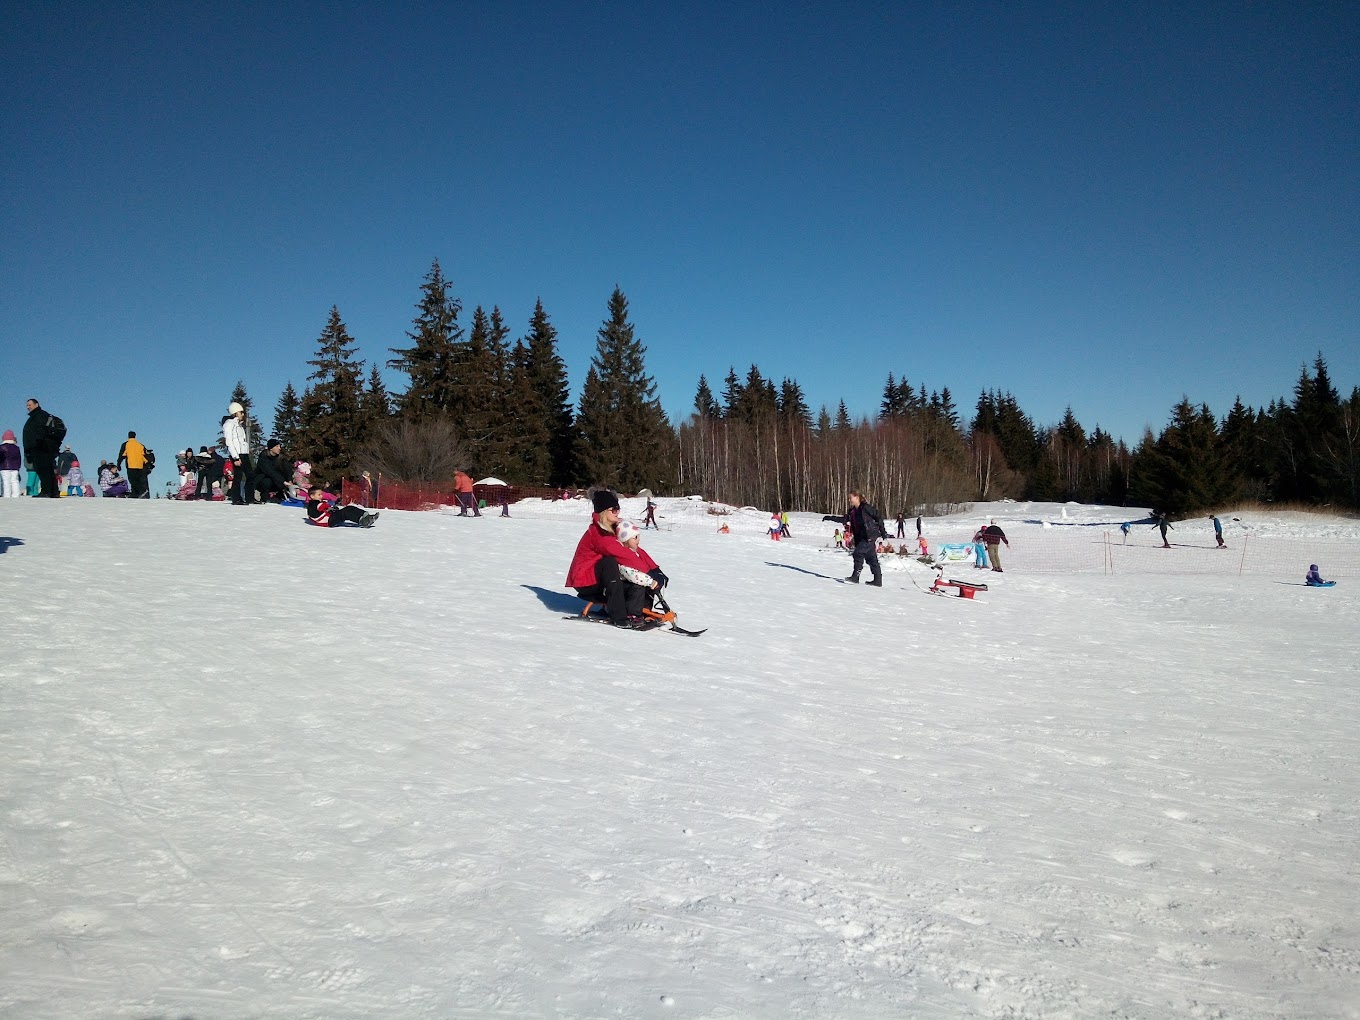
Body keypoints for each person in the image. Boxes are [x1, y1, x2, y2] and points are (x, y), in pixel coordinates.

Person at [564, 489, 655, 627]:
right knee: (610, 563)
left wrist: (654, 568)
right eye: (614, 509)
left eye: (618, 508)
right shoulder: (598, 534)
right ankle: (619, 617)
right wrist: (649, 573)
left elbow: (634, 549)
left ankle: (641, 611)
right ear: (603, 512)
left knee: (637, 579)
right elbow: (623, 555)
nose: (617, 512)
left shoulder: (612, 529)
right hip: (585, 582)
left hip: (599, 578)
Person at [823, 490, 886, 586]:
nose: (849, 500)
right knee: (871, 558)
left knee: (858, 553)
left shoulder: (866, 508)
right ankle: (878, 580)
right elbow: (844, 519)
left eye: (850, 498)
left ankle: (855, 577)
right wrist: (830, 517)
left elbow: (878, 517)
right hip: (861, 538)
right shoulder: (852, 511)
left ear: (857, 498)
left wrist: (883, 532)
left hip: (869, 536)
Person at [615, 519, 668, 611]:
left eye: (638, 537)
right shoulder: (623, 555)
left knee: (649, 587)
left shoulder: (638, 552)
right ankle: (633, 613)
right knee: (639, 586)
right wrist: (651, 581)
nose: (638, 540)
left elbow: (648, 564)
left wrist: (657, 574)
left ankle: (646, 610)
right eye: (635, 537)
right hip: (623, 587)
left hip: (639, 581)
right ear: (625, 540)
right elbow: (632, 575)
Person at [22, 398, 65, 497]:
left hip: (41, 447)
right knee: (47, 469)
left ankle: (47, 491)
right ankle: (53, 491)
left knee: (43, 469)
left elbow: (40, 431)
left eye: (30, 405)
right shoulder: (37, 416)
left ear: (36, 404)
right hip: (41, 446)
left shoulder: (39, 415)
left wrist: (37, 443)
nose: (28, 407)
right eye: (27, 405)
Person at [222, 402, 253, 505]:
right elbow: (229, 441)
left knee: (250, 475)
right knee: (238, 476)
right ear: (235, 413)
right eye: (241, 412)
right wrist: (235, 457)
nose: (243, 414)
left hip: (244, 453)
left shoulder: (239, 425)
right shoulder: (229, 424)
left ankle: (249, 498)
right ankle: (236, 498)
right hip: (237, 454)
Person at [306, 485, 378, 528]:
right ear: (312, 496)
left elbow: (323, 508)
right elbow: (319, 509)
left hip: (330, 517)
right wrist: (329, 507)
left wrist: (331, 508)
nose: (321, 496)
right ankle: (363, 521)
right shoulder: (312, 504)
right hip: (328, 521)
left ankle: (366, 516)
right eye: (319, 495)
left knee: (349, 508)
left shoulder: (316, 503)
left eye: (321, 494)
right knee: (345, 513)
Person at [253, 438, 292, 503]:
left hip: (277, 481)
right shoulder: (263, 458)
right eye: (277, 446)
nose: (279, 448)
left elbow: (287, 469)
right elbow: (270, 472)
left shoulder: (281, 458)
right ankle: (264, 498)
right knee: (267, 481)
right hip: (262, 481)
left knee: (281, 479)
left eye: (279, 446)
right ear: (271, 448)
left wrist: (289, 480)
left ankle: (280, 497)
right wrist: (283, 482)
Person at [117, 431, 150, 498]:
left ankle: (136, 493)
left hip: (131, 465)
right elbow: (144, 456)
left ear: (128, 436)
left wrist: (119, 464)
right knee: (138, 480)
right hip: (140, 466)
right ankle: (139, 492)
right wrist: (148, 465)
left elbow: (121, 455)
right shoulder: (140, 445)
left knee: (132, 480)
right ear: (135, 436)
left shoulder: (126, 444)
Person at [0, 429, 23, 497]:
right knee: (15, 481)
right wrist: (18, 466)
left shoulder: (2, 447)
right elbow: (19, 458)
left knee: (6, 482)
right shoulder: (16, 448)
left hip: (4, 467)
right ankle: (16, 494)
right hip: (15, 467)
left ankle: (6, 495)